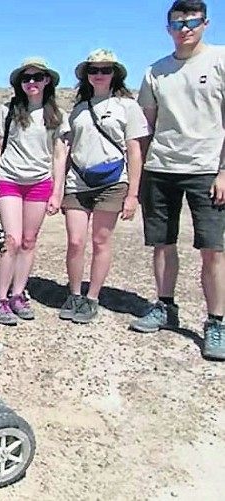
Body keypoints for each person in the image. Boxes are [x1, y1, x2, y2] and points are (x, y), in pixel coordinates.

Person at [131, 0, 225, 360]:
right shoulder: (156, 71)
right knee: (162, 244)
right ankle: (165, 305)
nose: (185, 29)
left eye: (192, 22)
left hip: (205, 169)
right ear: (168, 28)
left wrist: (223, 171)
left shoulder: (218, 60)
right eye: (177, 23)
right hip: (162, 167)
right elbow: (148, 127)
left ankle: (215, 321)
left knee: (212, 249)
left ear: (205, 23)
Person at [56, 49, 148, 324]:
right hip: (78, 181)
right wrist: (58, 188)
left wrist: (133, 193)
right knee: (75, 241)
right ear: (86, 75)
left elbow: (135, 150)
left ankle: (92, 297)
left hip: (112, 182)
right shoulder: (78, 109)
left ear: (114, 74)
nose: (99, 75)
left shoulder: (127, 107)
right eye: (94, 70)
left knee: (100, 241)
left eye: (105, 70)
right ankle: (74, 293)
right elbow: (66, 148)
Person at [0, 57, 69, 325]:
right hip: (9, 180)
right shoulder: (8, 111)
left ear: (47, 81)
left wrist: (57, 192)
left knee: (29, 241)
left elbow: (59, 155)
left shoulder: (57, 116)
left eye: (37, 77)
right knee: (10, 240)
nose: (31, 83)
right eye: (26, 78)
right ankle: (0, 298)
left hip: (39, 182)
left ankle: (18, 293)